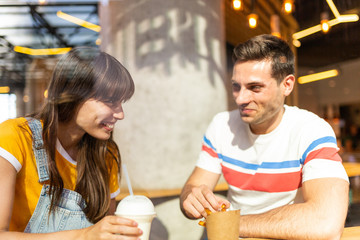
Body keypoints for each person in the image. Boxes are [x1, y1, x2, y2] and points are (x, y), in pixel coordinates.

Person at [180, 34, 349, 240]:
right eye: (236, 86)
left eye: (255, 87)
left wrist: (229, 224)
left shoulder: (312, 130)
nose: (240, 98)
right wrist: (191, 198)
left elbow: (326, 223)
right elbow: (193, 187)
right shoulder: (221, 125)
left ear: (287, 85)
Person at [0, 47, 143, 239]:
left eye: (121, 103)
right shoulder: (15, 136)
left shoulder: (106, 153)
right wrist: (84, 235)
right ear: (73, 95)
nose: (120, 114)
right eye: (110, 101)